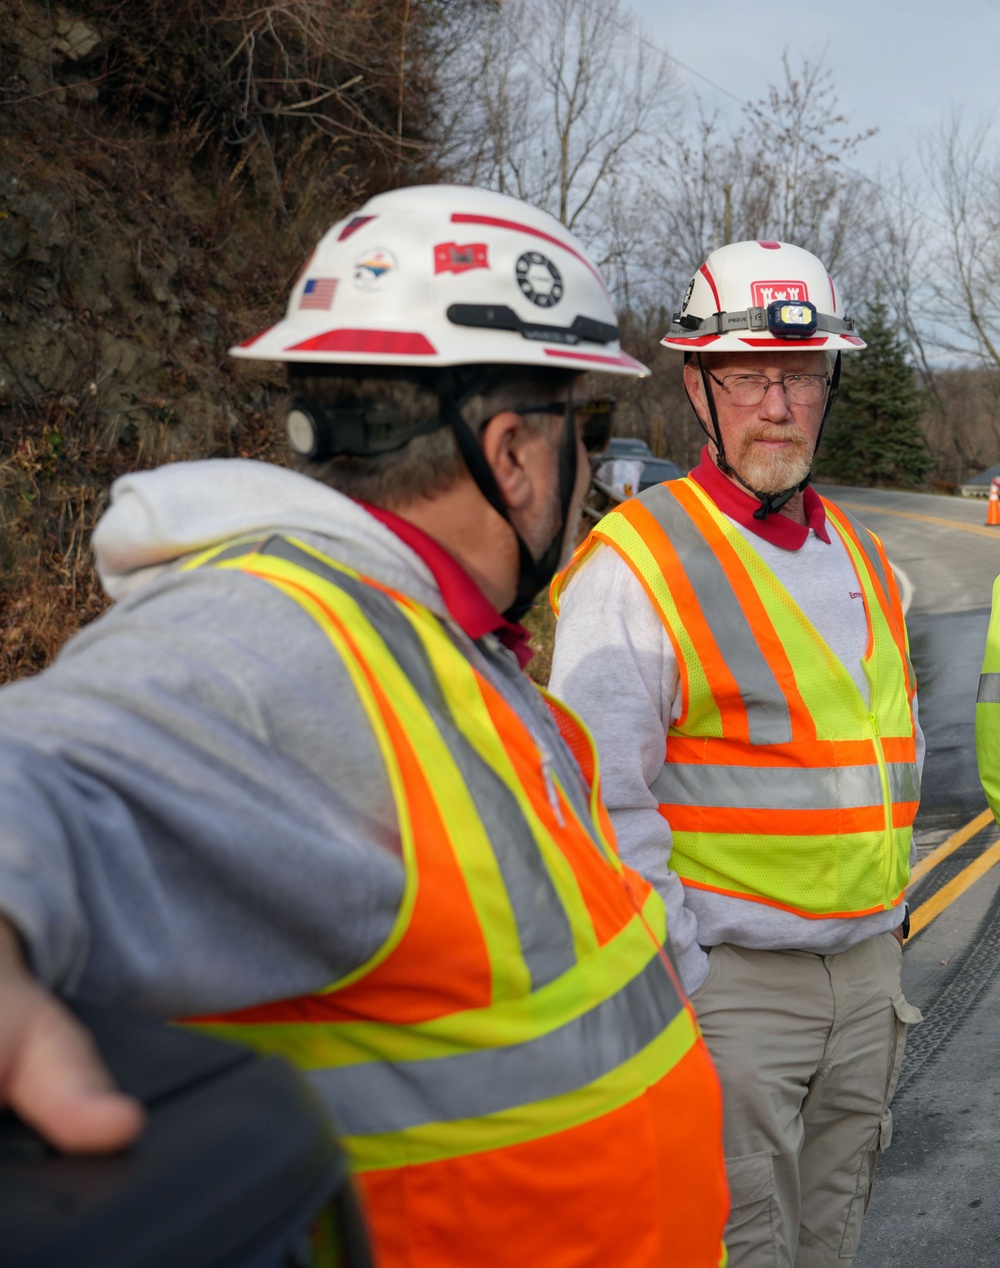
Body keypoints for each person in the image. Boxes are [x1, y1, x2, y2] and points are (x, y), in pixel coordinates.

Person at [0, 185, 729, 1267]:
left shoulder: (431, 639)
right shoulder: (276, 633)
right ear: (515, 453)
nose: (590, 477)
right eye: (588, 426)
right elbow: (52, 761)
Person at [549, 240, 924, 1268]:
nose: (777, 403)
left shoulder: (865, 560)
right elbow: (595, 802)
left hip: (864, 972)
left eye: (800, 376)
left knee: (830, 1234)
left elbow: (888, 759)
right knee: (736, 1244)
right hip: (732, 988)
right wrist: (685, 973)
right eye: (750, 374)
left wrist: (886, 922)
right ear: (697, 386)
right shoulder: (636, 563)